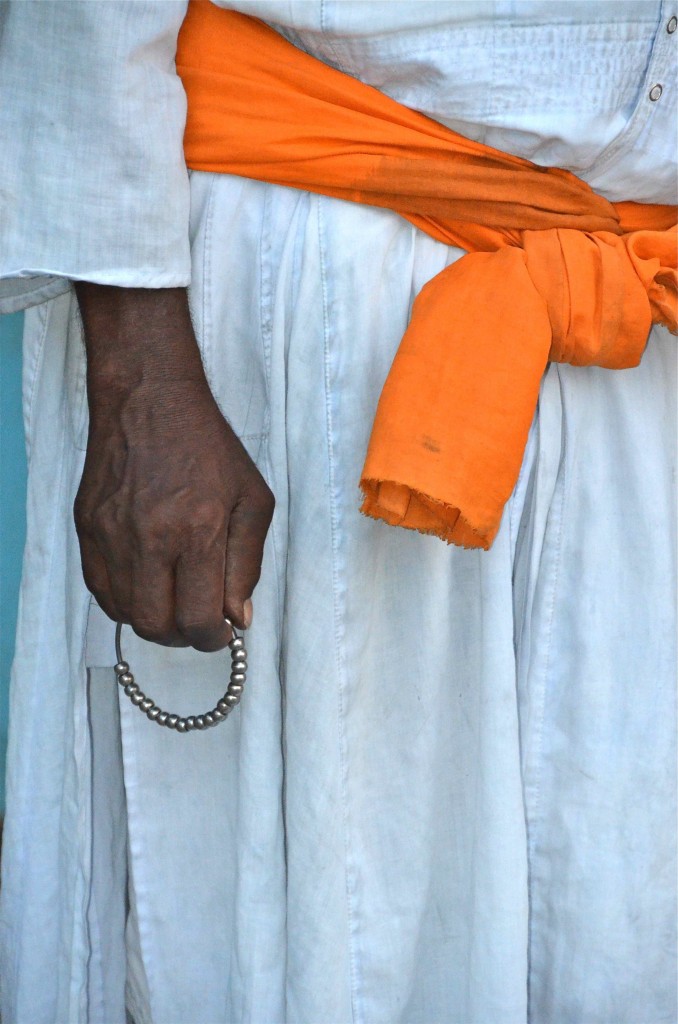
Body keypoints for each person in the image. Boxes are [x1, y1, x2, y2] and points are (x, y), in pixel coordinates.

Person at [0, 2, 675, 1022]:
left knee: (602, 872)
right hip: (303, 284)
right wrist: (140, 368)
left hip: (630, 315)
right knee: (313, 908)